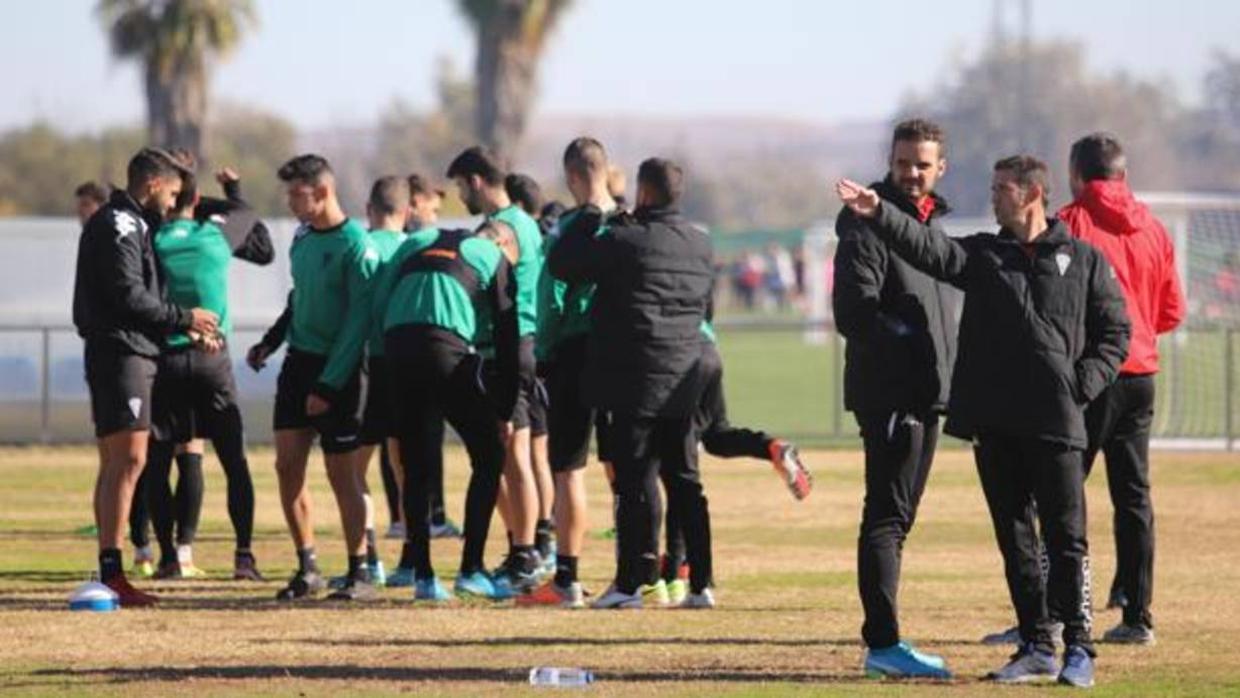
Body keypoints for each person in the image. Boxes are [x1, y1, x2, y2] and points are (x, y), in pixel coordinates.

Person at [836, 154, 1131, 688]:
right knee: (1014, 538)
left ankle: (1079, 648)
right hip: (995, 424)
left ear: (1031, 194)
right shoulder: (983, 256)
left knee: (1068, 540)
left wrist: (1079, 385)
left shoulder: (1083, 259)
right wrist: (879, 211)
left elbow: (1116, 333)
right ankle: (1036, 643)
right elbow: (929, 248)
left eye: (1001, 189)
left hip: (1057, 422)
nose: (992, 196)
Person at [548, 157, 715, 610]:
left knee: (633, 483)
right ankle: (700, 584)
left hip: (634, 375)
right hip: (685, 375)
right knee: (683, 481)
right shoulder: (701, 245)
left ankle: (629, 584)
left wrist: (588, 217)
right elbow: (708, 310)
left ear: (642, 192)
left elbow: (563, 265)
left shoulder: (625, 239)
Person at [831, 118, 958, 679]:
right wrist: (905, 341)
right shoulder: (866, 224)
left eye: (922, 164)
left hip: (926, 394)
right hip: (892, 395)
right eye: (904, 162)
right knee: (885, 517)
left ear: (940, 168)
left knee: (897, 518)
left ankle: (885, 642)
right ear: (890, 159)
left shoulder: (929, 224)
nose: (912, 173)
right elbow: (854, 312)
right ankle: (883, 644)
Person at [72, 146, 218, 606]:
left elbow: (137, 299)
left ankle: (109, 569)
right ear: (153, 184)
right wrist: (184, 317)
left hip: (129, 350)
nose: (175, 203)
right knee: (128, 460)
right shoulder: (120, 223)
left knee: (121, 461)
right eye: (173, 192)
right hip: (121, 355)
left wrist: (184, 330)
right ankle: (113, 573)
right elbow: (128, 295)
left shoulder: (133, 222)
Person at [1059, 133, 1185, 644]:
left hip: (1091, 377)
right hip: (1142, 378)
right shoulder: (1153, 228)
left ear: (1076, 175)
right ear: (1123, 175)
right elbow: (1172, 310)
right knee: (1133, 496)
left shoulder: (1070, 224)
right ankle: (1137, 614)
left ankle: (1057, 611)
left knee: (1062, 493)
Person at [246, 154, 378, 602]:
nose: (290, 203)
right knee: (286, 467)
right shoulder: (302, 239)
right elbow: (298, 299)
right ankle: (309, 567)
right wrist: (271, 341)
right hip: (298, 365)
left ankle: (360, 571)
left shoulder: (357, 245)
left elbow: (358, 322)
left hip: (340, 373)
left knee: (343, 475)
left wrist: (328, 385)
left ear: (322, 192)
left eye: (297, 194)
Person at [370, 216, 521, 601]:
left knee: (416, 465)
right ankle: (471, 568)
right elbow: (508, 334)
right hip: (445, 351)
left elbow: (379, 301)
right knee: (490, 456)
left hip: (396, 350)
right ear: (504, 246)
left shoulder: (415, 240)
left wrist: (380, 368)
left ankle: (423, 576)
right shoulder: (493, 255)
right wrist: (504, 409)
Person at [146, 162, 273, 582]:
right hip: (212, 360)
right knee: (234, 460)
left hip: (166, 358)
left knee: (160, 461)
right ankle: (243, 557)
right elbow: (248, 212)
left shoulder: (154, 239)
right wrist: (230, 188)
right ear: (197, 202)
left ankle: (167, 558)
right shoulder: (213, 236)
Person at [518, 136, 618, 608]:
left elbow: (551, 294)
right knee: (628, 470)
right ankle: (635, 575)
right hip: (625, 354)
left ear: (574, 177)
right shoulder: (630, 223)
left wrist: (545, 349)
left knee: (569, 470)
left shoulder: (571, 227)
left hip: (575, 352)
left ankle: (567, 580)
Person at [446, 147, 545, 594]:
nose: (459, 196)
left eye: (460, 187)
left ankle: (526, 555)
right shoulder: (522, 222)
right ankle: (521, 549)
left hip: (509, 346)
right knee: (499, 453)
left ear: (476, 181)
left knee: (513, 452)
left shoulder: (500, 228)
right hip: (508, 345)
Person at [328, 175, 414, 591]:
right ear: (407, 211)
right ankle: (414, 559)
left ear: (369, 209)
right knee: (406, 467)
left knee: (355, 471)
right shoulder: (416, 247)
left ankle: (370, 558)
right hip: (406, 362)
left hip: (366, 365)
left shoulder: (360, 245)